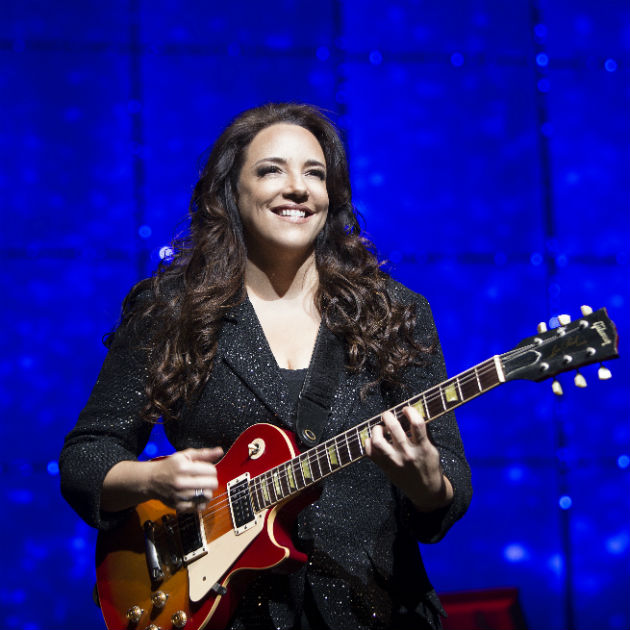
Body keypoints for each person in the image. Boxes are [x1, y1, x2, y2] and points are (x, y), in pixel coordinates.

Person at [59, 103, 472, 630]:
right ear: (231, 192)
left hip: (379, 611)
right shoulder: (170, 312)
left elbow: (450, 482)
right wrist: (151, 478)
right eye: (272, 170)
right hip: (224, 613)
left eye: (315, 173)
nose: (298, 188)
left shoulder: (394, 313)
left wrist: (429, 484)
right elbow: (87, 456)